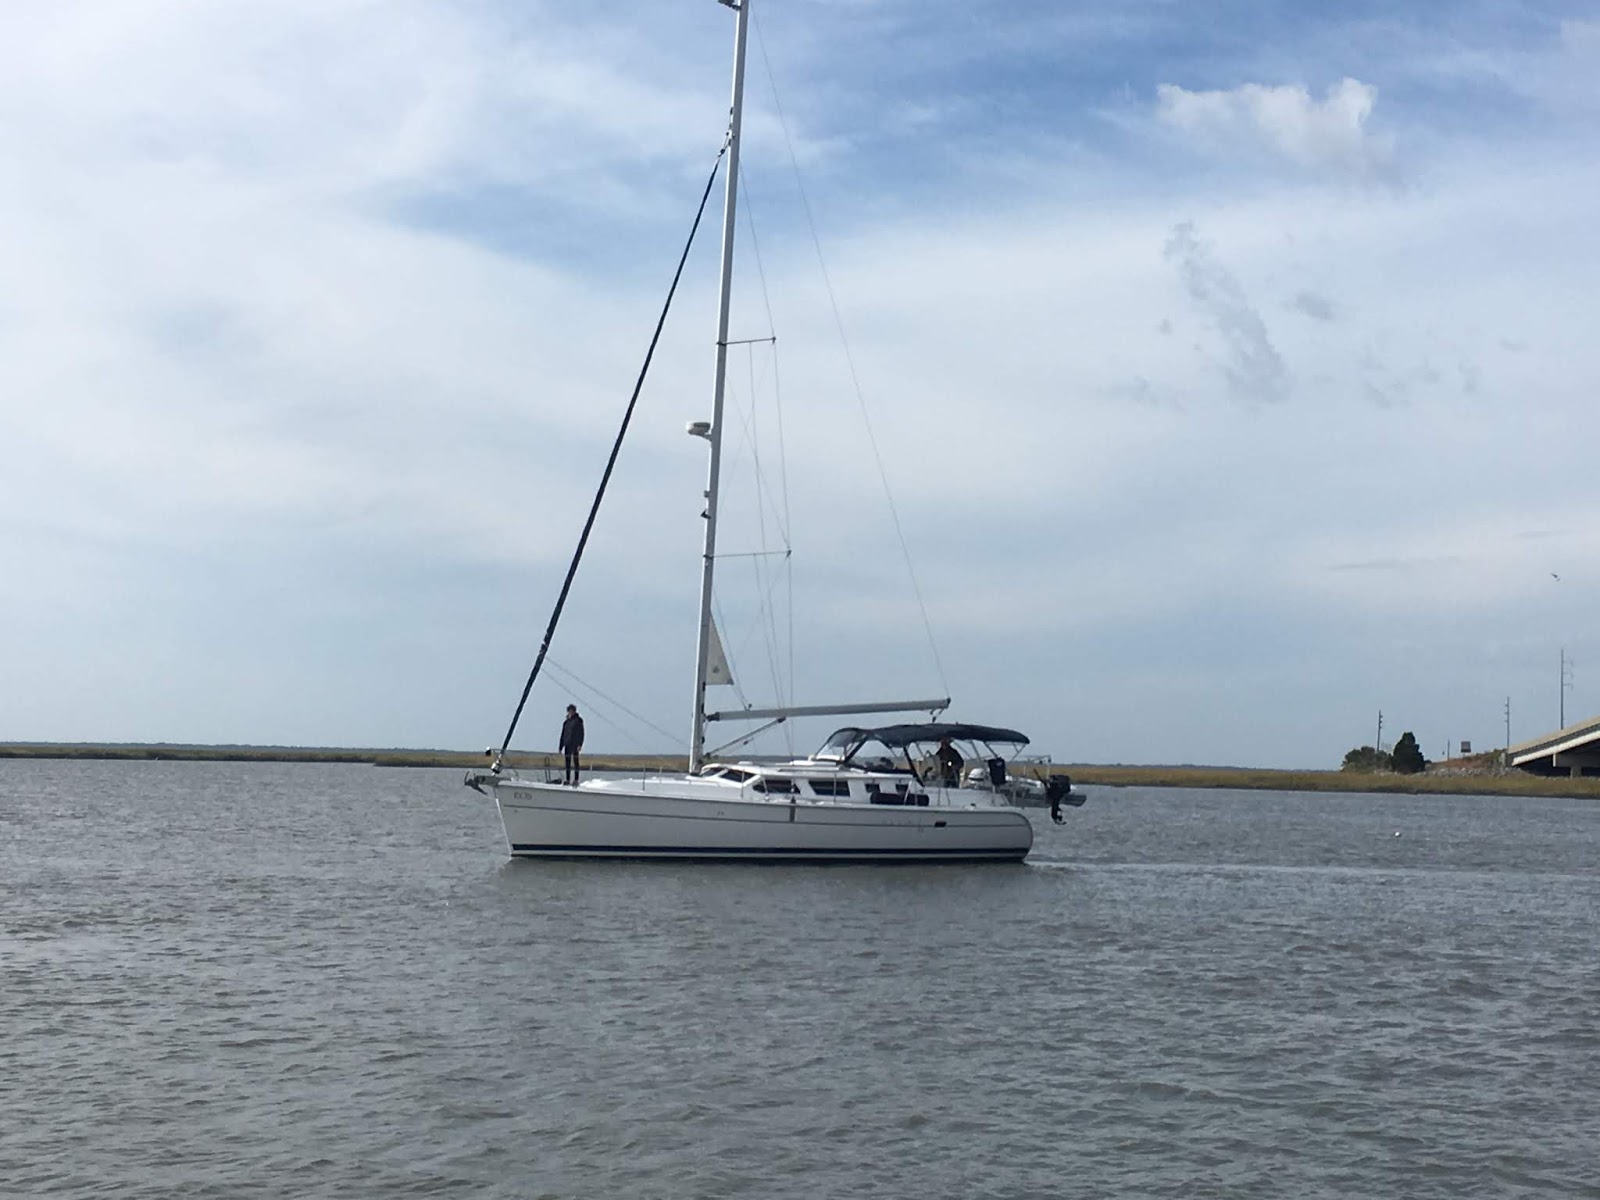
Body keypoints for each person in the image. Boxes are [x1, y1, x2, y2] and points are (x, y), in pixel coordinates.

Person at [560, 704, 585, 785]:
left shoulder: (578, 721)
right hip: (567, 743)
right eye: (569, 711)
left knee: (575, 761)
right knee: (567, 762)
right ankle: (567, 779)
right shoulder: (566, 722)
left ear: (574, 711)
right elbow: (563, 734)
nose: (570, 712)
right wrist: (560, 746)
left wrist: (580, 744)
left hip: (575, 744)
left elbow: (581, 733)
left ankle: (576, 779)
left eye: (572, 711)